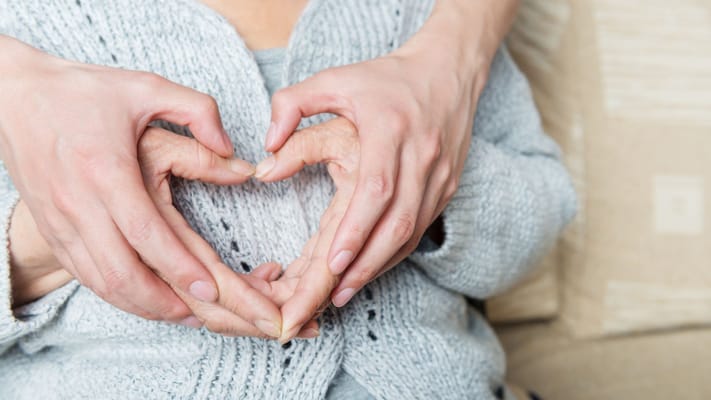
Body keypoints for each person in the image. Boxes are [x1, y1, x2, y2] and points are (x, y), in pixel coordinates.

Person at [0, 0, 576, 398]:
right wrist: (48, 239)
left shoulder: (419, 16)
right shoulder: (28, 25)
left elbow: (538, 220)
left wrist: (430, 182)